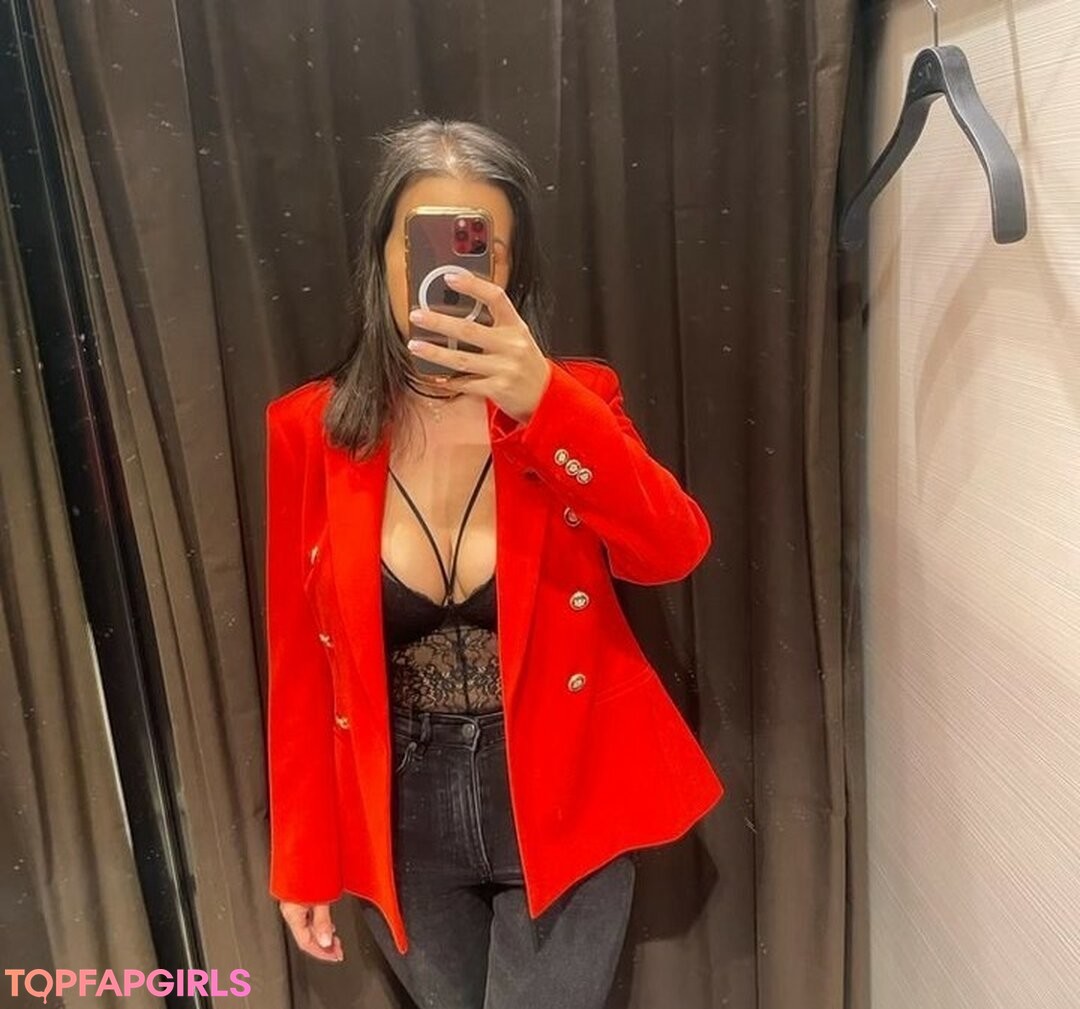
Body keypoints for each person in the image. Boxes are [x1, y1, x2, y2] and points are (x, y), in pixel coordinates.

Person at [264, 117, 725, 1009]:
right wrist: (303, 856)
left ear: (510, 270)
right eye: (423, 241)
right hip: (401, 816)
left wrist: (542, 402)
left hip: (561, 791)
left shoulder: (577, 402)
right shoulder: (309, 431)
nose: (449, 271)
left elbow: (671, 551)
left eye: (479, 248)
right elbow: (299, 663)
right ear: (384, 257)